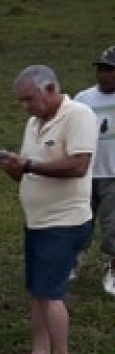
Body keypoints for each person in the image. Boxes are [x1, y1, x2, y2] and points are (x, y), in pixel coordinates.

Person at [0, 65, 97, 354]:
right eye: (21, 101)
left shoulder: (79, 115)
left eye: (29, 99)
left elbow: (79, 165)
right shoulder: (34, 123)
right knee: (38, 291)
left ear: (50, 89)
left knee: (50, 295)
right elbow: (27, 171)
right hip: (38, 221)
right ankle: (40, 353)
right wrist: (13, 167)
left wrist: (29, 165)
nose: (25, 107)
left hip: (63, 223)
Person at [74, 45, 115, 294]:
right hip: (85, 172)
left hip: (113, 175)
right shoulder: (83, 98)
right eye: (101, 69)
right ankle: (72, 262)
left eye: (110, 70)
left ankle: (113, 269)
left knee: (113, 227)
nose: (104, 75)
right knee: (78, 220)